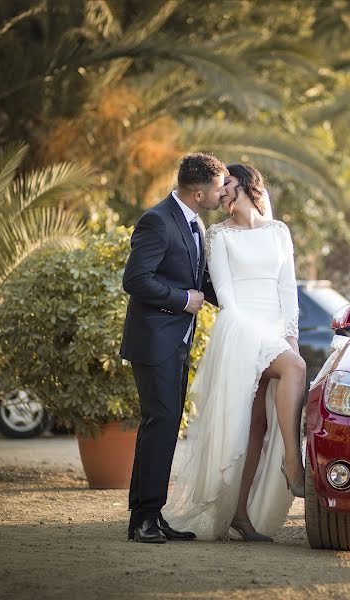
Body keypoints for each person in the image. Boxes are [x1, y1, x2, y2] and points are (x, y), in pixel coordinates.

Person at [163, 164, 307, 542]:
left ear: (243, 183)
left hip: (274, 332)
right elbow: (225, 297)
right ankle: (294, 461)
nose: (219, 191)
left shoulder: (279, 232)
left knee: (257, 427)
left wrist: (288, 336)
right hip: (241, 332)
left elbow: (287, 289)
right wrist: (261, 340)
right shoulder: (219, 236)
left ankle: (242, 516)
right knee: (250, 422)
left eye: (224, 182)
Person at [120, 152, 226, 544]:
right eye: (218, 189)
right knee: (159, 426)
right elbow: (135, 280)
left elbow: (207, 284)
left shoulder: (193, 222)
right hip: (155, 343)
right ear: (199, 193)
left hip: (176, 343)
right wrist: (182, 299)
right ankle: (142, 520)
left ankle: (152, 514)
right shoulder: (157, 221)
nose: (221, 196)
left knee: (164, 428)